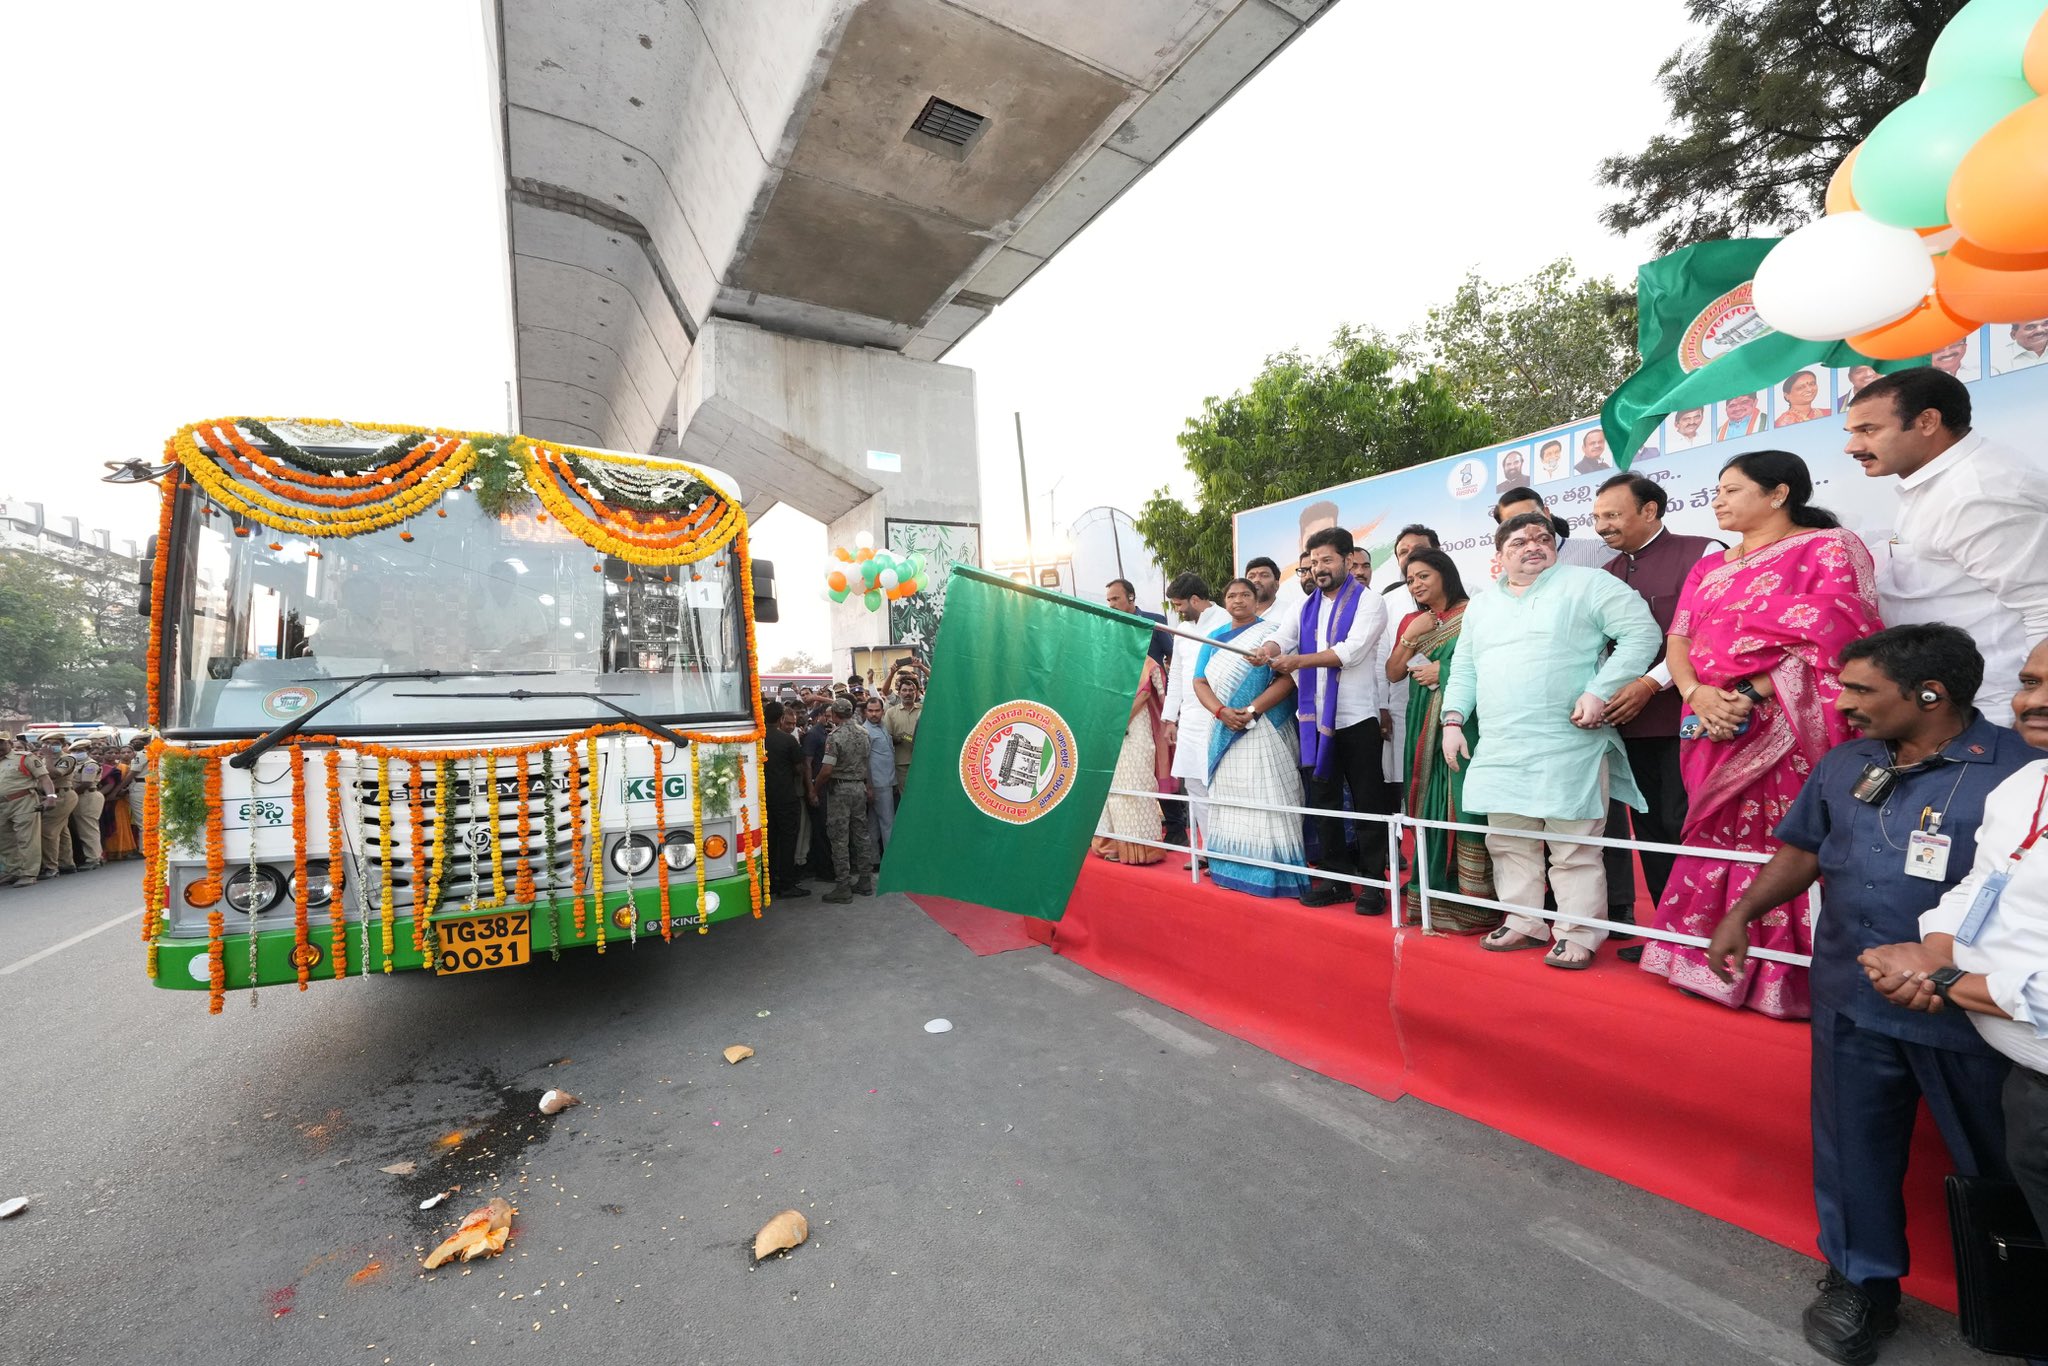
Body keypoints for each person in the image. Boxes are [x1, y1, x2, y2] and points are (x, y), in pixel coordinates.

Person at [1696, 627, 2033, 1365]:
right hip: (1853, 1000)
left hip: (1974, 1017)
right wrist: (1742, 913)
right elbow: (1804, 849)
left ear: (1930, 695)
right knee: (1854, 1153)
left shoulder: (2021, 775)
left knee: (2003, 1164)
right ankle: (1861, 1285)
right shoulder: (1848, 762)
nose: (1842, 704)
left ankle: (2021, 1297)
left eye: (1859, 691)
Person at [1639, 450, 1884, 1016]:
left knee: (1784, 838)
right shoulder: (1711, 565)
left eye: (1731, 489)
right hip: (1708, 719)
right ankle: (1704, 961)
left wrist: (1749, 694)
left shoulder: (1828, 548)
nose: (1717, 500)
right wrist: (1698, 693)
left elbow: (1841, 633)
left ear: (1778, 493)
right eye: (1716, 490)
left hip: (1787, 722)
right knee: (1712, 830)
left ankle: (1790, 973)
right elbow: (1680, 641)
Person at [1861, 639, 2048, 1285]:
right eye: (2029, 681)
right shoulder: (2027, 784)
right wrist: (1935, 946)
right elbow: (1983, 886)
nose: (2036, 701)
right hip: (2028, 1082)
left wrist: (1946, 979)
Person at [1442, 514, 1660, 968]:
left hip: (1570, 740)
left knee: (1574, 844)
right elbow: (1465, 667)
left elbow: (1642, 633)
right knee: (1507, 840)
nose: (1533, 547)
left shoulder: (1588, 584)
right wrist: (1453, 719)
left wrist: (1600, 690)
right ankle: (1523, 921)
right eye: (1520, 542)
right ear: (1499, 556)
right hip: (1502, 744)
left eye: (1543, 539)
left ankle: (1578, 932)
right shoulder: (1481, 606)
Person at [1844, 365, 2048, 723]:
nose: (1852, 447)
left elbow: (2042, 609)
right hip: (1954, 708)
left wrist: (2032, 709)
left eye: (1869, 430)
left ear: (1926, 422)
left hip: (1995, 712)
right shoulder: (1941, 483)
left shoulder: (1979, 492)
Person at [1595, 474, 1724, 960]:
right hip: (1629, 723)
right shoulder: (1605, 572)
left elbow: (1706, 638)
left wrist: (1652, 684)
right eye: (1598, 517)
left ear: (1650, 510)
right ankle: (1669, 937)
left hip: (1689, 718)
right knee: (1648, 825)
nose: (1603, 526)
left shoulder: (1703, 552)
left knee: (1684, 822)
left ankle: (1706, 937)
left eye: (1613, 515)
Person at [1260, 527, 1393, 913]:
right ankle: (1336, 879)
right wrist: (1266, 649)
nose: (1319, 568)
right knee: (1325, 801)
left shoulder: (1369, 602)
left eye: (1327, 560)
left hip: (1357, 719)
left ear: (1348, 561)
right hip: (1314, 720)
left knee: (1368, 804)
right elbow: (1283, 639)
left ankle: (1372, 885)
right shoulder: (1303, 606)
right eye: (1314, 562)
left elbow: (1349, 652)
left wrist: (1298, 660)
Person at [1387, 549, 1497, 929]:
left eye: (1423, 576)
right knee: (1431, 804)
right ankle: (1433, 898)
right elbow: (1393, 673)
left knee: (1463, 804)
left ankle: (1475, 903)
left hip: (1466, 725)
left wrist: (1443, 669)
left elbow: (1492, 663)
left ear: (1445, 575)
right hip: (1423, 726)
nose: (1416, 585)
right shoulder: (1418, 622)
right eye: (1410, 579)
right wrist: (1409, 638)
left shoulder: (1476, 612)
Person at [1192, 579, 1305, 897]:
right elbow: (1200, 682)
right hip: (1225, 727)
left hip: (1266, 727)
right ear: (1224, 602)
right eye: (1231, 595)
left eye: (1245, 595)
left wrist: (1253, 709)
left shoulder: (1273, 635)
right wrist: (1221, 712)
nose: (1238, 600)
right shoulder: (1213, 638)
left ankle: (1277, 873)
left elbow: (1288, 680)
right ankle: (1231, 868)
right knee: (1232, 798)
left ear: (1257, 601)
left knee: (1272, 794)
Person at [1159, 574, 1231, 866]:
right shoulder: (1183, 628)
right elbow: (1176, 674)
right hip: (1189, 717)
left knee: (1218, 784)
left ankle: (1227, 852)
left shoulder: (1226, 621)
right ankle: (1208, 850)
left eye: (1179, 604)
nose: (1177, 610)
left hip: (1219, 714)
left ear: (1196, 600)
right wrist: (1169, 718)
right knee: (1195, 785)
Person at [1380, 525, 1439, 808]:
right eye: (1402, 553)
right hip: (1405, 707)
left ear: (1438, 552)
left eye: (1416, 549)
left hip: (1455, 707)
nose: (1408, 557)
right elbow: (1384, 663)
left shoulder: (1472, 595)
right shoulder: (1388, 603)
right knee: (1409, 786)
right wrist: (1381, 706)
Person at [1092, 654, 1169, 866]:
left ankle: (1143, 850)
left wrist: (1121, 722)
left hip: (1135, 730)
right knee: (1111, 789)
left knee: (1136, 782)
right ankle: (1114, 844)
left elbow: (1155, 696)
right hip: (1108, 730)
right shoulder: (1102, 657)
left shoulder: (1146, 662)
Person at [812, 697, 872, 904]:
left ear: (836, 715)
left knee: (839, 837)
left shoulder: (834, 737)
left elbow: (827, 770)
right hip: (859, 787)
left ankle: (843, 886)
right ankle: (865, 880)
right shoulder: (864, 733)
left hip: (840, 789)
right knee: (861, 834)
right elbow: (867, 762)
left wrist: (815, 788)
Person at [1494, 487, 1613, 569]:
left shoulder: (1598, 551)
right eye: (1516, 522)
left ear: (1546, 513)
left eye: (1533, 516)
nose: (1527, 526)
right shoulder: (1508, 577)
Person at [761, 701, 810, 899]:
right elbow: (800, 768)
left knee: (770, 841)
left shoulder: (757, 739)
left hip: (765, 798)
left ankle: (770, 882)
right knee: (788, 840)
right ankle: (787, 883)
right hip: (786, 797)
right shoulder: (788, 740)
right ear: (781, 719)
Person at [0, 738, 56, 887]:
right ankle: (13, 871)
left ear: (9, 744)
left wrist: (51, 797)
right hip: (1, 806)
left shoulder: (25, 757)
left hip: (23, 801)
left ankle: (28, 873)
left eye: (1, 742)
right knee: (5, 841)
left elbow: (44, 778)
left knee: (26, 838)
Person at [1106, 577, 1174, 675]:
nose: (1111, 604)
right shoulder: (1110, 627)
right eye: (1109, 600)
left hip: (1153, 687)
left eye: (1115, 599)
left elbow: (1172, 655)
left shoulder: (1154, 621)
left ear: (1131, 597)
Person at [860, 695, 897, 860]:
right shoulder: (865, 731)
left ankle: (874, 859)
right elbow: (865, 760)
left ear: (883, 711)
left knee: (874, 823)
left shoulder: (882, 727)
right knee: (888, 823)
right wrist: (868, 787)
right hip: (878, 784)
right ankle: (891, 861)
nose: (873, 714)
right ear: (865, 712)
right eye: (870, 711)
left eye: (877, 711)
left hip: (886, 781)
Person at [38, 736, 79, 876]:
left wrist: (48, 757)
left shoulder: (68, 758)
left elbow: (53, 774)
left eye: (55, 743)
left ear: (62, 745)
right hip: (50, 795)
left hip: (62, 796)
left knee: (47, 830)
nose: (50, 746)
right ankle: (66, 863)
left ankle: (51, 867)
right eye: (47, 743)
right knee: (62, 830)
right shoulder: (42, 759)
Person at [97, 743, 140, 862]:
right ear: (104, 755)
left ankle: (123, 849)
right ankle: (108, 851)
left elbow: (128, 784)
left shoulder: (123, 767)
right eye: (109, 753)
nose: (113, 755)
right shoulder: (100, 768)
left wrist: (118, 793)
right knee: (106, 825)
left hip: (119, 800)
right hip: (103, 800)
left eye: (115, 753)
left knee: (120, 824)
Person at [66, 742, 104, 871]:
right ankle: (94, 856)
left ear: (87, 750)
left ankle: (93, 859)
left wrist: (71, 795)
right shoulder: (75, 764)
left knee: (88, 828)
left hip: (87, 796)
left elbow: (86, 783)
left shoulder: (90, 765)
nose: (77, 753)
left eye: (80, 750)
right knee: (84, 828)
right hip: (80, 797)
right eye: (74, 750)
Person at [885, 673, 922, 795]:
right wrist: (898, 738)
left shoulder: (924, 710)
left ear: (916, 693)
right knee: (906, 796)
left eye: (911, 690)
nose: (908, 693)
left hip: (922, 762)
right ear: (899, 693)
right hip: (902, 764)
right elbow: (887, 738)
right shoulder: (891, 713)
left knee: (922, 794)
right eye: (904, 690)